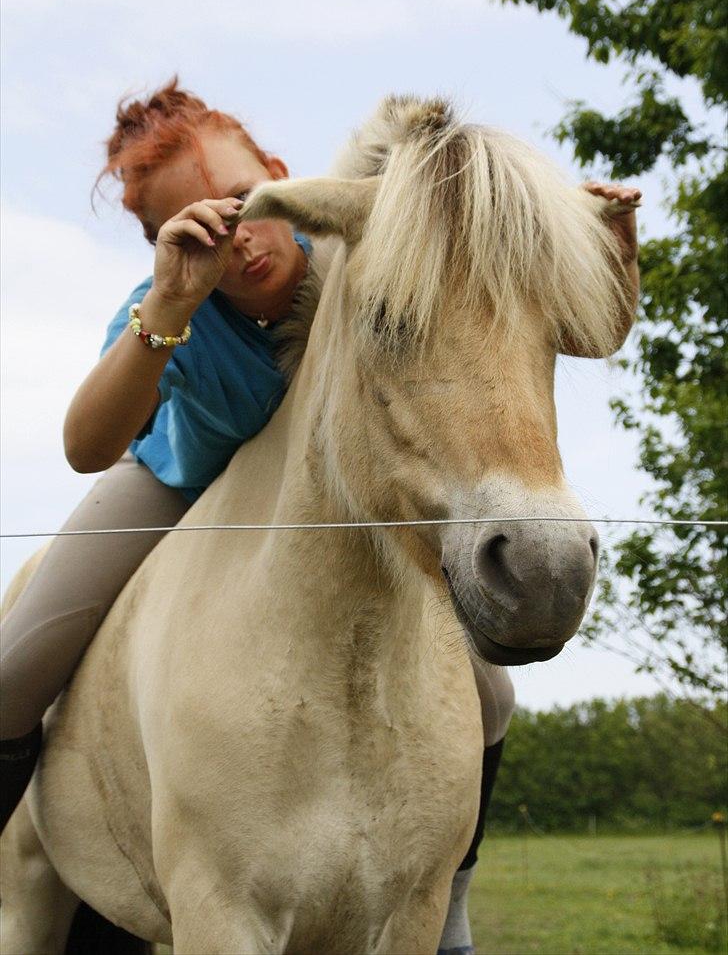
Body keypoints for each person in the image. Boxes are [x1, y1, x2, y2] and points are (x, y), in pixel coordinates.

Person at [0, 78, 639, 955]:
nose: (237, 236)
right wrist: (169, 307)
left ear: (280, 178)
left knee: (490, 698)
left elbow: (585, 328)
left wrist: (610, 247)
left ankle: (449, 892)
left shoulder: (360, 248)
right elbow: (84, 444)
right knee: (15, 664)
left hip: (320, 502)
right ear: (161, 242)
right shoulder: (171, 300)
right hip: (185, 474)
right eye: (193, 224)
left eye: (241, 200)